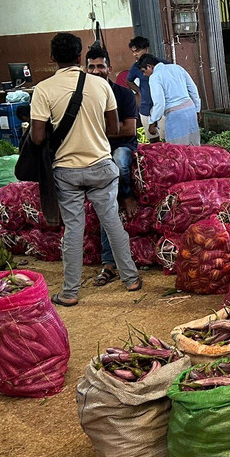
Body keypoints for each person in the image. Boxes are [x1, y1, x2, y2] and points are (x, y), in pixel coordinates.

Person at [30, 33, 141, 306]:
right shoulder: (100, 86)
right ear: (80, 58)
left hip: (66, 172)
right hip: (101, 166)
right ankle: (131, 279)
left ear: (52, 58)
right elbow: (114, 129)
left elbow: (37, 137)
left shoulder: (43, 89)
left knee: (73, 230)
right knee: (112, 222)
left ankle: (69, 292)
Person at [85, 45, 140, 286]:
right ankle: (109, 263)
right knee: (104, 206)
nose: (96, 71)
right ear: (84, 69)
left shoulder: (123, 94)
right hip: (97, 153)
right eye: (92, 67)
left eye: (100, 66)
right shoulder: (84, 98)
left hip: (122, 147)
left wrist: (93, 131)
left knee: (119, 163)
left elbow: (128, 129)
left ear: (109, 68)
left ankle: (127, 194)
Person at [139, 54, 202, 145]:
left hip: (176, 116)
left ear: (149, 66)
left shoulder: (155, 77)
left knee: (177, 151)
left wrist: (152, 122)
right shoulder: (177, 68)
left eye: (144, 71)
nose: (144, 75)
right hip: (190, 110)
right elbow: (193, 89)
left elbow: (159, 103)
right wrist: (197, 109)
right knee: (195, 147)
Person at [125, 37, 154, 138]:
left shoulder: (159, 63)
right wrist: (139, 91)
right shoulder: (135, 67)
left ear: (146, 49)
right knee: (153, 141)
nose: (134, 54)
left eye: (137, 51)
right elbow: (128, 81)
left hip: (161, 107)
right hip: (145, 107)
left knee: (166, 141)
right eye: (133, 52)